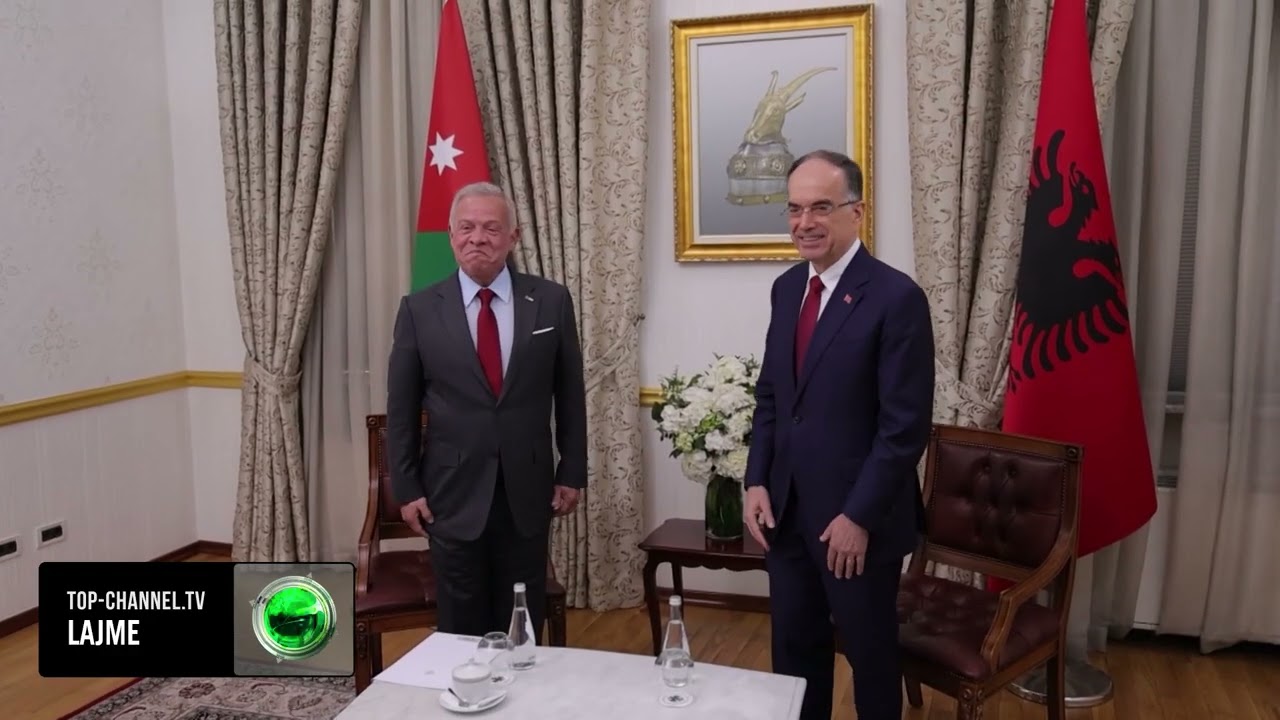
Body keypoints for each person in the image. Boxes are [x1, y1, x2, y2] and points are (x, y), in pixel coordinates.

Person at [743, 150, 935, 720]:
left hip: (856, 526)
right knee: (795, 658)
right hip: (786, 515)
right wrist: (756, 481)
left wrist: (859, 518)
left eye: (821, 207)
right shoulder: (786, 289)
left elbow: (903, 428)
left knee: (871, 664)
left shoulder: (896, 298)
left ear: (858, 211)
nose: (804, 222)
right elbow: (772, 396)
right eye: (795, 209)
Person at [385, 181, 587, 640]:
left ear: (513, 236)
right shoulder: (419, 310)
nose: (478, 238)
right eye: (467, 227)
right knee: (460, 626)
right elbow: (401, 410)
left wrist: (572, 471)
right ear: (451, 235)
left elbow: (569, 393)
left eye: (492, 228)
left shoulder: (551, 300)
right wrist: (407, 487)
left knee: (521, 619)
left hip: (528, 490)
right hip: (450, 494)